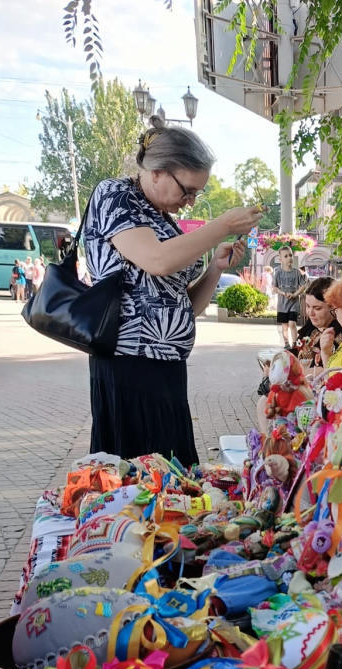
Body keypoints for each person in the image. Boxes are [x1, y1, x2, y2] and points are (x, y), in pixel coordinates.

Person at [83, 115, 262, 464]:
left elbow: (184, 306)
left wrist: (214, 268)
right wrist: (222, 225)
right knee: (139, 479)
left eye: (198, 192)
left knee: (171, 482)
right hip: (129, 364)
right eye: (188, 190)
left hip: (165, 368)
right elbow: (157, 260)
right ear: (157, 172)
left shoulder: (161, 216)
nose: (191, 201)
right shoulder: (115, 195)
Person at [294, 276, 342, 375]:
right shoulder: (311, 325)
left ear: (333, 307)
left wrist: (293, 375)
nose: (310, 313)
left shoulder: (339, 333)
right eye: (308, 306)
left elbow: (329, 369)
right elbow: (294, 351)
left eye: (317, 308)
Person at [271, 246, 306, 349]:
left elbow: (303, 285)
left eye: (290, 255)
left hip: (294, 303)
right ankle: (286, 343)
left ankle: (295, 343)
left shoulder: (296, 272)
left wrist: (295, 294)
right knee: (285, 325)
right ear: (281, 259)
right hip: (282, 304)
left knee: (292, 323)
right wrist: (283, 293)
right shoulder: (278, 273)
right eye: (286, 256)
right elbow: (275, 287)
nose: (289, 258)